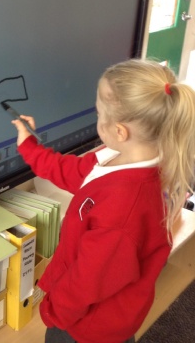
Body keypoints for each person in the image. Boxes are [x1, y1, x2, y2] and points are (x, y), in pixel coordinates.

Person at [11, 59, 195, 343]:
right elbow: (69, 171)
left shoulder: (122, 211)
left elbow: (88, 281)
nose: (96, 118)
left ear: (120, 131)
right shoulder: (118, 157)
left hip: (89, 328)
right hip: (97, 309)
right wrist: (29, 146)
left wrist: (52, 312)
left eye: (98, 113)